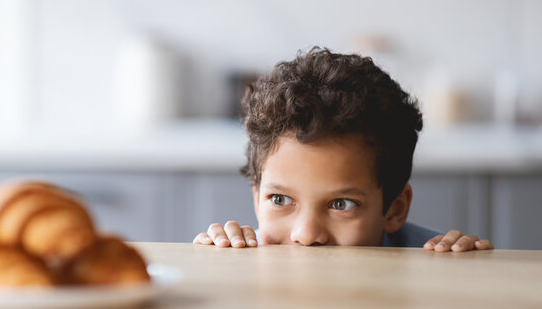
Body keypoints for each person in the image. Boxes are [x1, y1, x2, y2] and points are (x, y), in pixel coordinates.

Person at [193, 47, 494, 252]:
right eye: (280, 199)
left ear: (395, 209)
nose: (307, 235)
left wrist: (463, 268)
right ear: (257, 199)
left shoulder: (429, 259)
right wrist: (217, 262)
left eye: (341, 204)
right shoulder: (244, 253)